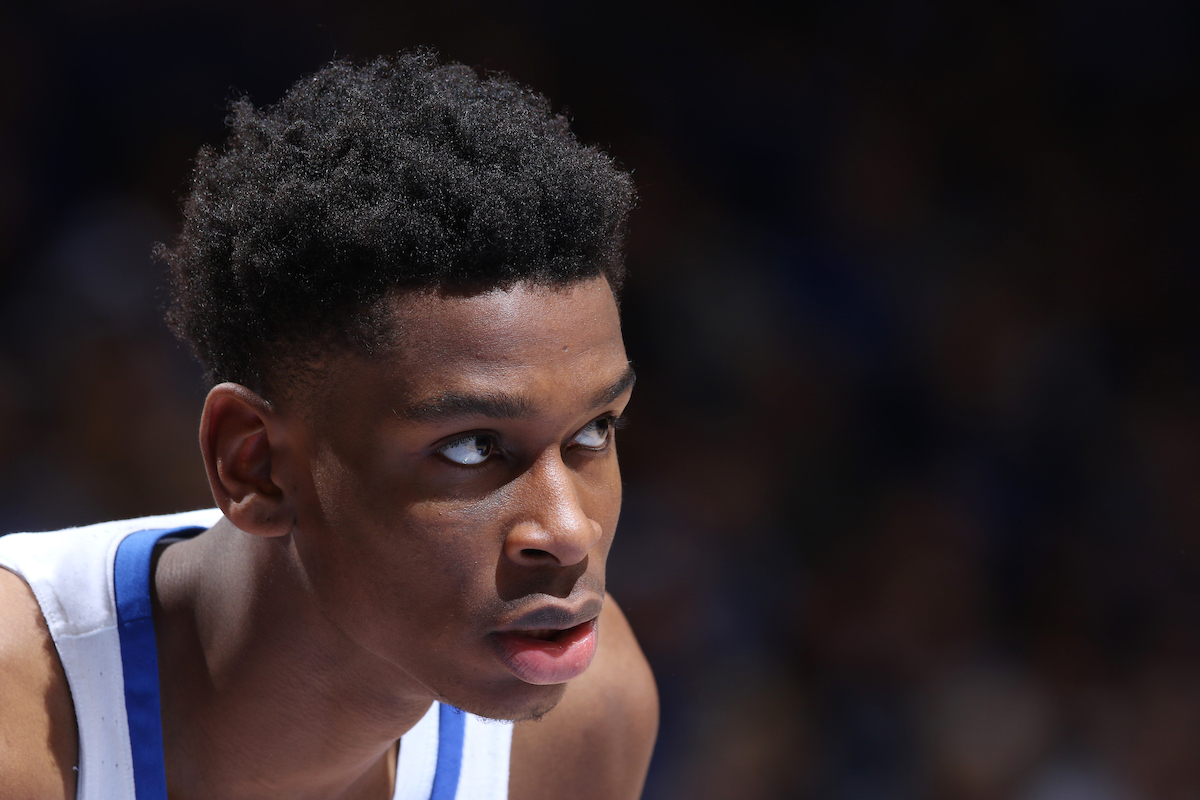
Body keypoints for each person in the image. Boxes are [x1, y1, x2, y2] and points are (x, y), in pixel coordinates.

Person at [0, 50, 658, 800]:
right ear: (254, 464)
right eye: (473, 447)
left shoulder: (587, 715)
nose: (569, 531)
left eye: (594, 432)